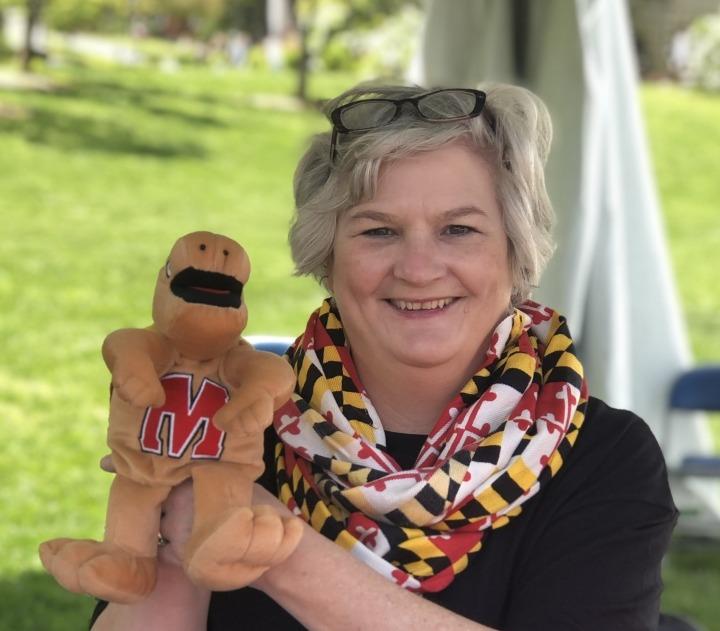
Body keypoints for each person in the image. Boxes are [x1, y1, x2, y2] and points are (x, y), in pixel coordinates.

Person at [91, 82, 678, 630]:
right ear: (327, 256)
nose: (418, 269)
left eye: (459, 230)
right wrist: (171, 530)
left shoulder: (602, 459)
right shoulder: (234, 422)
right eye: (378, 231)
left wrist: (272, 548)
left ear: (516, 252)